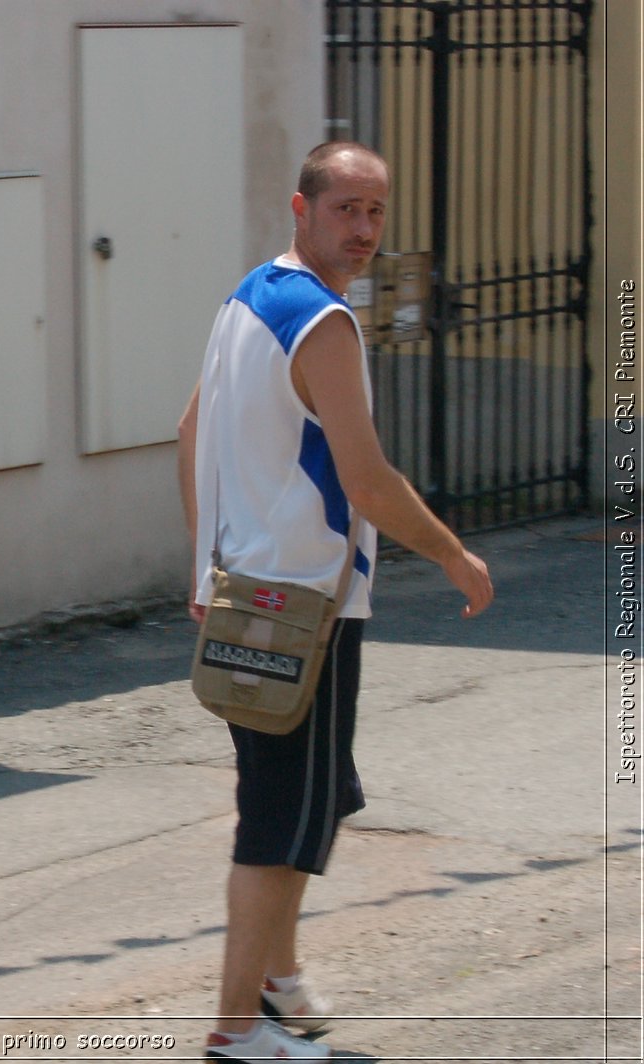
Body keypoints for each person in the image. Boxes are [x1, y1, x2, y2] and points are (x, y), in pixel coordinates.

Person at [177, 142, 494, 1061]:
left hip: (249, 593)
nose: (362, 230)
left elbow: (189, 432)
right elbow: (369, 480)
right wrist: (452, 554)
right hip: (301, 605)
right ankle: (238, 1031)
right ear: (301, 208)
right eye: (346, 209)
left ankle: (276, 982)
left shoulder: (249, 298)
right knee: (280, 823)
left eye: (376, 212)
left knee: (307, 798)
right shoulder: (321, 323)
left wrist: (207, 567)